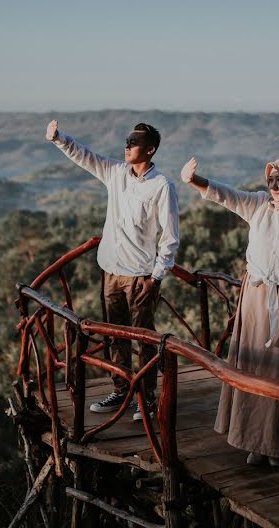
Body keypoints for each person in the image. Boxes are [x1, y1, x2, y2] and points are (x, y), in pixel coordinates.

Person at [180, 153, 279, 466]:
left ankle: (277, 445)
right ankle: (252, 441)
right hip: (254, 298)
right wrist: (194, 181)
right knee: (251, 366)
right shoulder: (261, 206)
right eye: (272, 179)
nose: (274, 186)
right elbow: (228, 196)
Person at [46, 119, 180, 420]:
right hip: (110, 270)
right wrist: (59, 139)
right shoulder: (116, 173)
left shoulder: (162, 187)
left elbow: (170, 238)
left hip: (140, 276)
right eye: (127, 142)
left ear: (150, 150)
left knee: (144, 338)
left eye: (133, 143)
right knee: (114, 335)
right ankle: (121, 390)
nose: (127, 147)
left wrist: (156, 277)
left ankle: (146, 399)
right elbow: (86, 157)